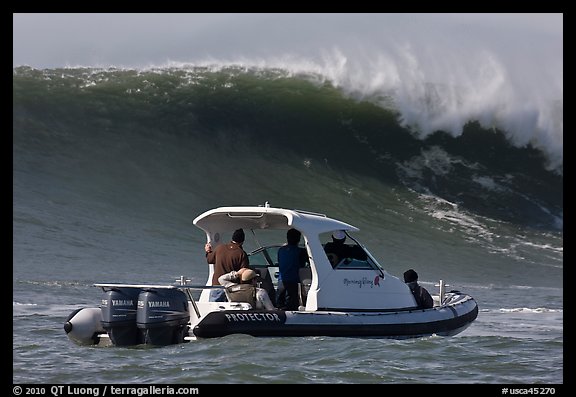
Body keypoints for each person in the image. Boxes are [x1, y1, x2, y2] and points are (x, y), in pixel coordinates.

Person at [205, 229, 249, 302]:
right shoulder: (242, 253)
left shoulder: (220, 248)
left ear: (232, 238)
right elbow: (244, 272)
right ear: (242, 241)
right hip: (232, 287)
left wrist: (208, 251)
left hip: (217, 284)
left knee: (214, 309)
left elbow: (210, 260)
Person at [277, 228, 308, 310]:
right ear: (298, 239)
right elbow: (304, 264)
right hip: (293, 282)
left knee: (279, 304)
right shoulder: (301, 251)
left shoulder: (281, 250)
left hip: (281, 282)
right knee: (292, 306)